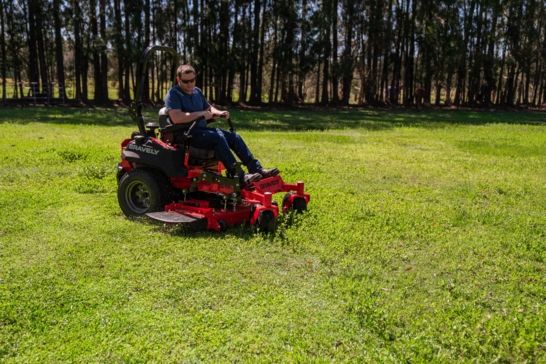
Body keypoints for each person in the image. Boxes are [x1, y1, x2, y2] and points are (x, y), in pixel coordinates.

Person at [164, 64, 279, 184]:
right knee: (218, 137)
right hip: (186, 134)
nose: (190, 84)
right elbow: (177, 118)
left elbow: (208, 108)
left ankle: (257, 169)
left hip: (201, 131)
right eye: (185, 81)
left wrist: (219, 113)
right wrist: (201, 114)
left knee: (234, 137)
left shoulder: (197, 92)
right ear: (178, 79)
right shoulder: (173, 94)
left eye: (192, 80)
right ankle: (238, 175)